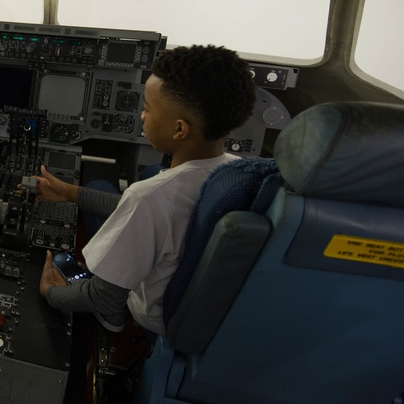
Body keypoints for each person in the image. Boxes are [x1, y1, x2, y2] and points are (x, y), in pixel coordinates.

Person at [36, 44, 256, 338]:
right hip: (203, 303)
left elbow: (103, 296)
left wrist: (50, 292)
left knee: (110, 190)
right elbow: (147, 207)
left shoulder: (150, 198)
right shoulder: (237, 171)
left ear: (179, 130)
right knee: (99, 188)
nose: (141, 116)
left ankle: (112, 320)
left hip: (154, 317)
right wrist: (70, 193)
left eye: (148, 108)